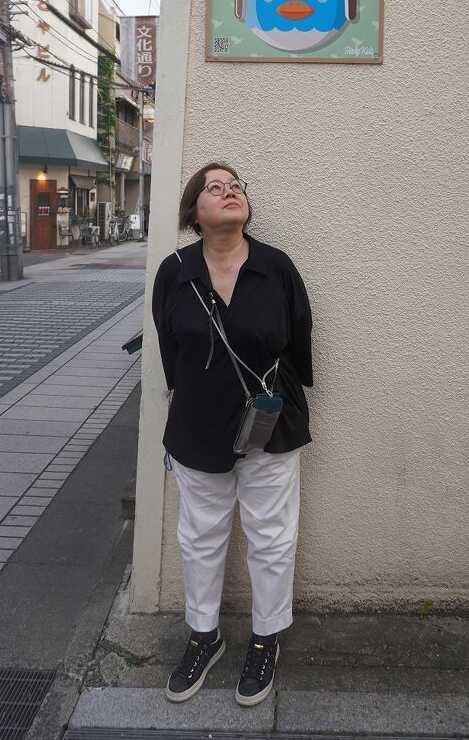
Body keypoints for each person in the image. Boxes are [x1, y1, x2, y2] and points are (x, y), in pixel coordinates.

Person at [152, 162, 313, 707]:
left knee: (271, 537)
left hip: (270, 426)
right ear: (194, 211)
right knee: (199, 537)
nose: (229, 192)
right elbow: (169, 351)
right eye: (214, 188)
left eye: (236, 186)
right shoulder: (174, 272)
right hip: (197, 426)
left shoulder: (277, 268)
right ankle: (204, 635)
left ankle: (265, 639)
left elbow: (299, 343)